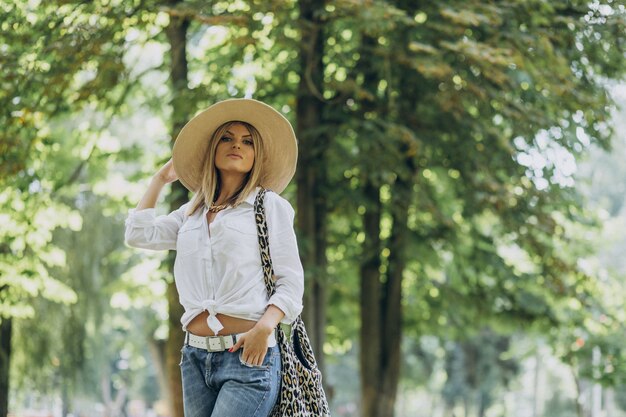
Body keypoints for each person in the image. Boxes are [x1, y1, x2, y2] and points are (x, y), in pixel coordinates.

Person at [124, 98, 304, 417]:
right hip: (195, 358)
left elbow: (290, 282)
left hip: (250, 357)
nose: (237, 145)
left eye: (247, 141)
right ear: (213, 148)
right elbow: (139, 234)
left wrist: (265, 328)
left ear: (256, 156)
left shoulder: (268, 207)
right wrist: (160, 179)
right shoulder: (191, 214)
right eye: (227, 137)